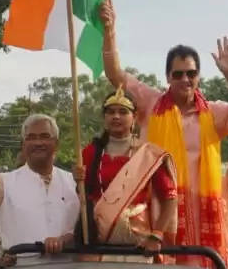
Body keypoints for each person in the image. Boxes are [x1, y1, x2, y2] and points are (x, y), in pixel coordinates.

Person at [100, 0, 228, 266]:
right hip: (158, 213)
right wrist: (109, 31)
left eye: (191, 73)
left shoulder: (214, 113)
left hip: (202, 217)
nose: (185, 79)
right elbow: (115, 75)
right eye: (178, 74)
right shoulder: (149, 103)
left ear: (199, 77)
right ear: (167, 77)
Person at [74, 88, 178, 246]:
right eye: (111, 112)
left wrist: (156, 235)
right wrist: (78, 182)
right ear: (104, 117)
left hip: (138, 241)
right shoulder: (90, 152)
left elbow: (170, 198)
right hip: (98, 239)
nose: (116, 116)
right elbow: (85, 195)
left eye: (123, 112)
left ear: (134, 117)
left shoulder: (148, 154)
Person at [0, 115, 77, 252]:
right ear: (23, 145)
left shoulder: (75, 183)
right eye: (31, 138)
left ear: (56, 143)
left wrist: (65, 239)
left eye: (44, 136)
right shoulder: (3, 183)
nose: (38, 143)